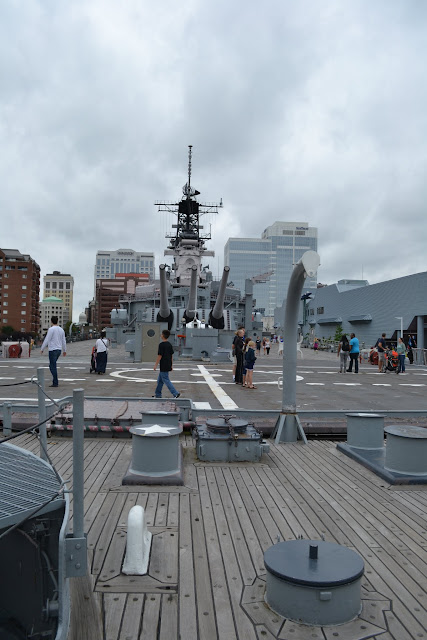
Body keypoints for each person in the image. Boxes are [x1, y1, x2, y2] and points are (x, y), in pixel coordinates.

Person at [40, 315, 67, 387]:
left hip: (52, 349)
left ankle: (55, 382)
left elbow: (47, 339)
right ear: (57, 321)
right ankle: (55, 381)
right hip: (59, 349)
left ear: (51, 321)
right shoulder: (61, 330)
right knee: (52, 365)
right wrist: (64, 350)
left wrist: (42, 348)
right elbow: (63, 340)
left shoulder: (51, 329)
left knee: (52, 366)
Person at [153, 329, 180, 398]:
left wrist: (155, 365)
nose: (161, 335)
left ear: (163, 336)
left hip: (163, 364)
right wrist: (171, 365)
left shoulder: (161, 345)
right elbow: (171, 355)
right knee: (160, 381)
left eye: (161, 334)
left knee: (166, 380)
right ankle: (158, 394)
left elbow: (160, 355)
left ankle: (175, 393)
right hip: (168, 364)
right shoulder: (169, 345)